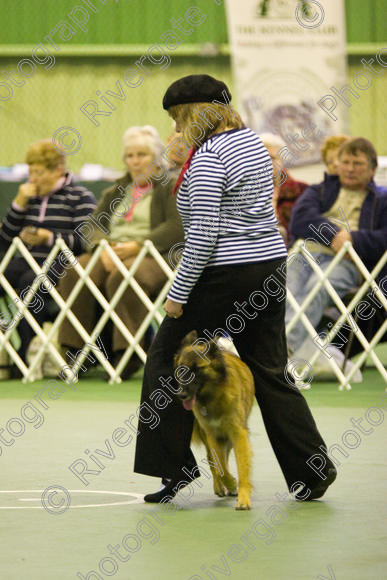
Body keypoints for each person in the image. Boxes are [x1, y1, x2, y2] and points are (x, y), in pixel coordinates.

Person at [134, 74, 337, 503]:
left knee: (164, 361)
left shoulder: (208, 158)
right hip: (267, 268)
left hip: (223, 275)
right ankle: (311, 471)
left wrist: (179, 293)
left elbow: (204, 236)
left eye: (176, 118)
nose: (175, 128)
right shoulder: (250, 145)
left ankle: (173, 469)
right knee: (270, 372)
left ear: (193, 113)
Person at [58, 125, 184, 379]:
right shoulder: (116, 189)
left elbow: (176, 227)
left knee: (124, 277)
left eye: (142, 155)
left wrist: (138, 245)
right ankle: (75, 350)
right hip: (110, 250)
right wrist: (101, 247)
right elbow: (92, 225)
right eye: (130, 156)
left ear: (156, 157)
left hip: (153, 254)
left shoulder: (169, 187)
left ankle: (128, 352)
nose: (135, 162)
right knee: (75, 272)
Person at [286, 137, 387, 356]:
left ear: (372, 169)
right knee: (286, 290)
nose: (350, 169)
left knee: (318, 288)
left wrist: (353, 241)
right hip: (308, 253)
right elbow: (300, 219)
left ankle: (284, 348)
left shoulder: (383, 200)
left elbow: (384, 238)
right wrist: (334, 235)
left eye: (357, 163)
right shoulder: (319, 191)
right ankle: (281, 348)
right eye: (345, 162)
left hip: (348, 261)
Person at [0, 139, 96, 364]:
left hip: (64, 264)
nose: (33, 179)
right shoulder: (28, 197)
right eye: (30, 172)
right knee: (6, 276)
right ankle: (4, 339)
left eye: (39, 172)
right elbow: (5, 239)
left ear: (58, 170)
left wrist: (49, 238)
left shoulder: (80, 197)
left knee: (29, 282)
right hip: (28, 259)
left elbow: (86, 240)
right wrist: (18, 205)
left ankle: (26, 351)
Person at [260, 133, 308, 244]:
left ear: (281, 160)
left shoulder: (301, 190)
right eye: (261, 157)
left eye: (272, 158)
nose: (266, 162)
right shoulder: (243, 193)